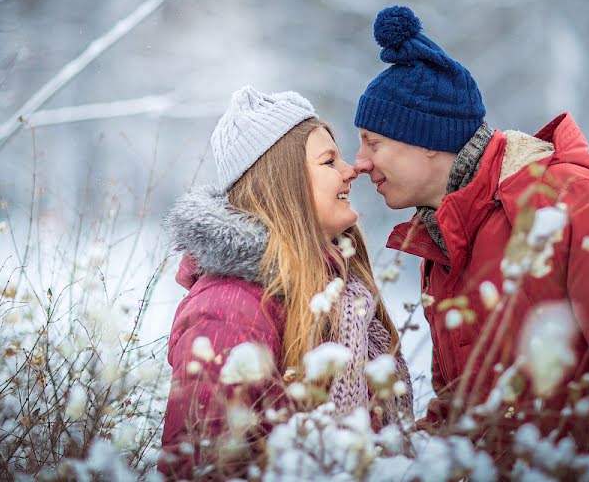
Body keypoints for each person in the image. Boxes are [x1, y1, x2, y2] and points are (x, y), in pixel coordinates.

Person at [352, 5, 589, 479]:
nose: (360, 162)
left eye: (372, 142)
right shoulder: (444, 239)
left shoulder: (570, 201)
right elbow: (464, 412)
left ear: (427, 140)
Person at [158, 87, 412, 479]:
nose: (351, 171)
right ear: (284, 185)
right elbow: (207, 466)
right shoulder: (230, 307)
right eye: (329, 161)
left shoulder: (335, 293)